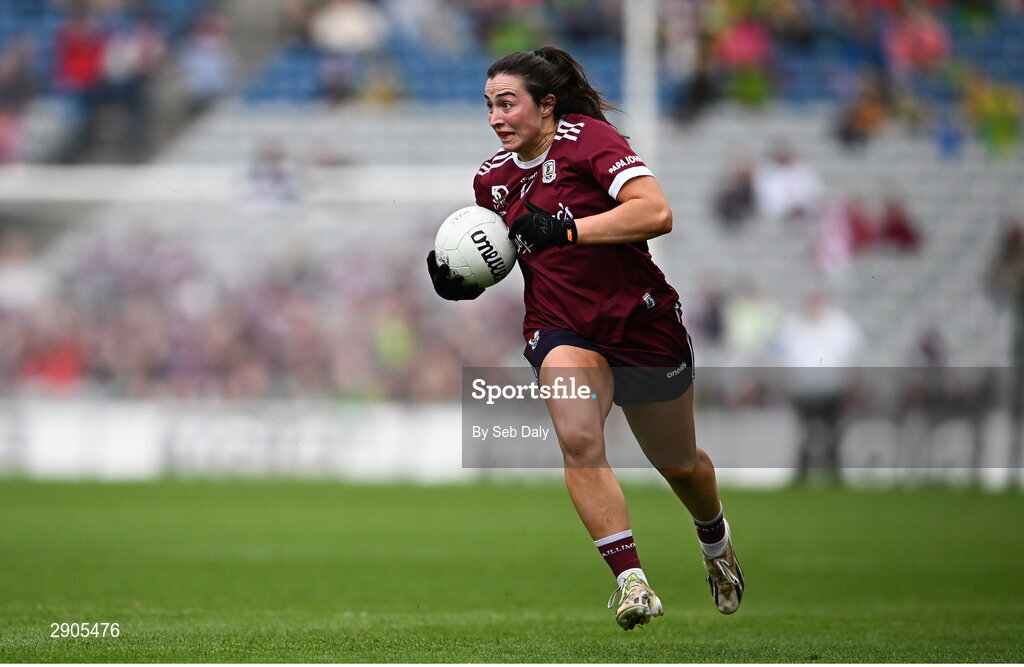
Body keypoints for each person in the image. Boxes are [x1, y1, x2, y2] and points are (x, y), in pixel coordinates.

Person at [425, 46, 744, 630]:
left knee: (680, 467)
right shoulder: (490, 181)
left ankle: (715, 541)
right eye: (489, 106)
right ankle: (632, 583)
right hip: (561, 326)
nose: (496, 117)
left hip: (640, 322)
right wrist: (460, 274)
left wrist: (569, 229)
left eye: (508, 103)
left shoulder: (589, 140)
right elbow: (506, 252)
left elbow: (655, 212)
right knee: (577, 439)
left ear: (547, 106)